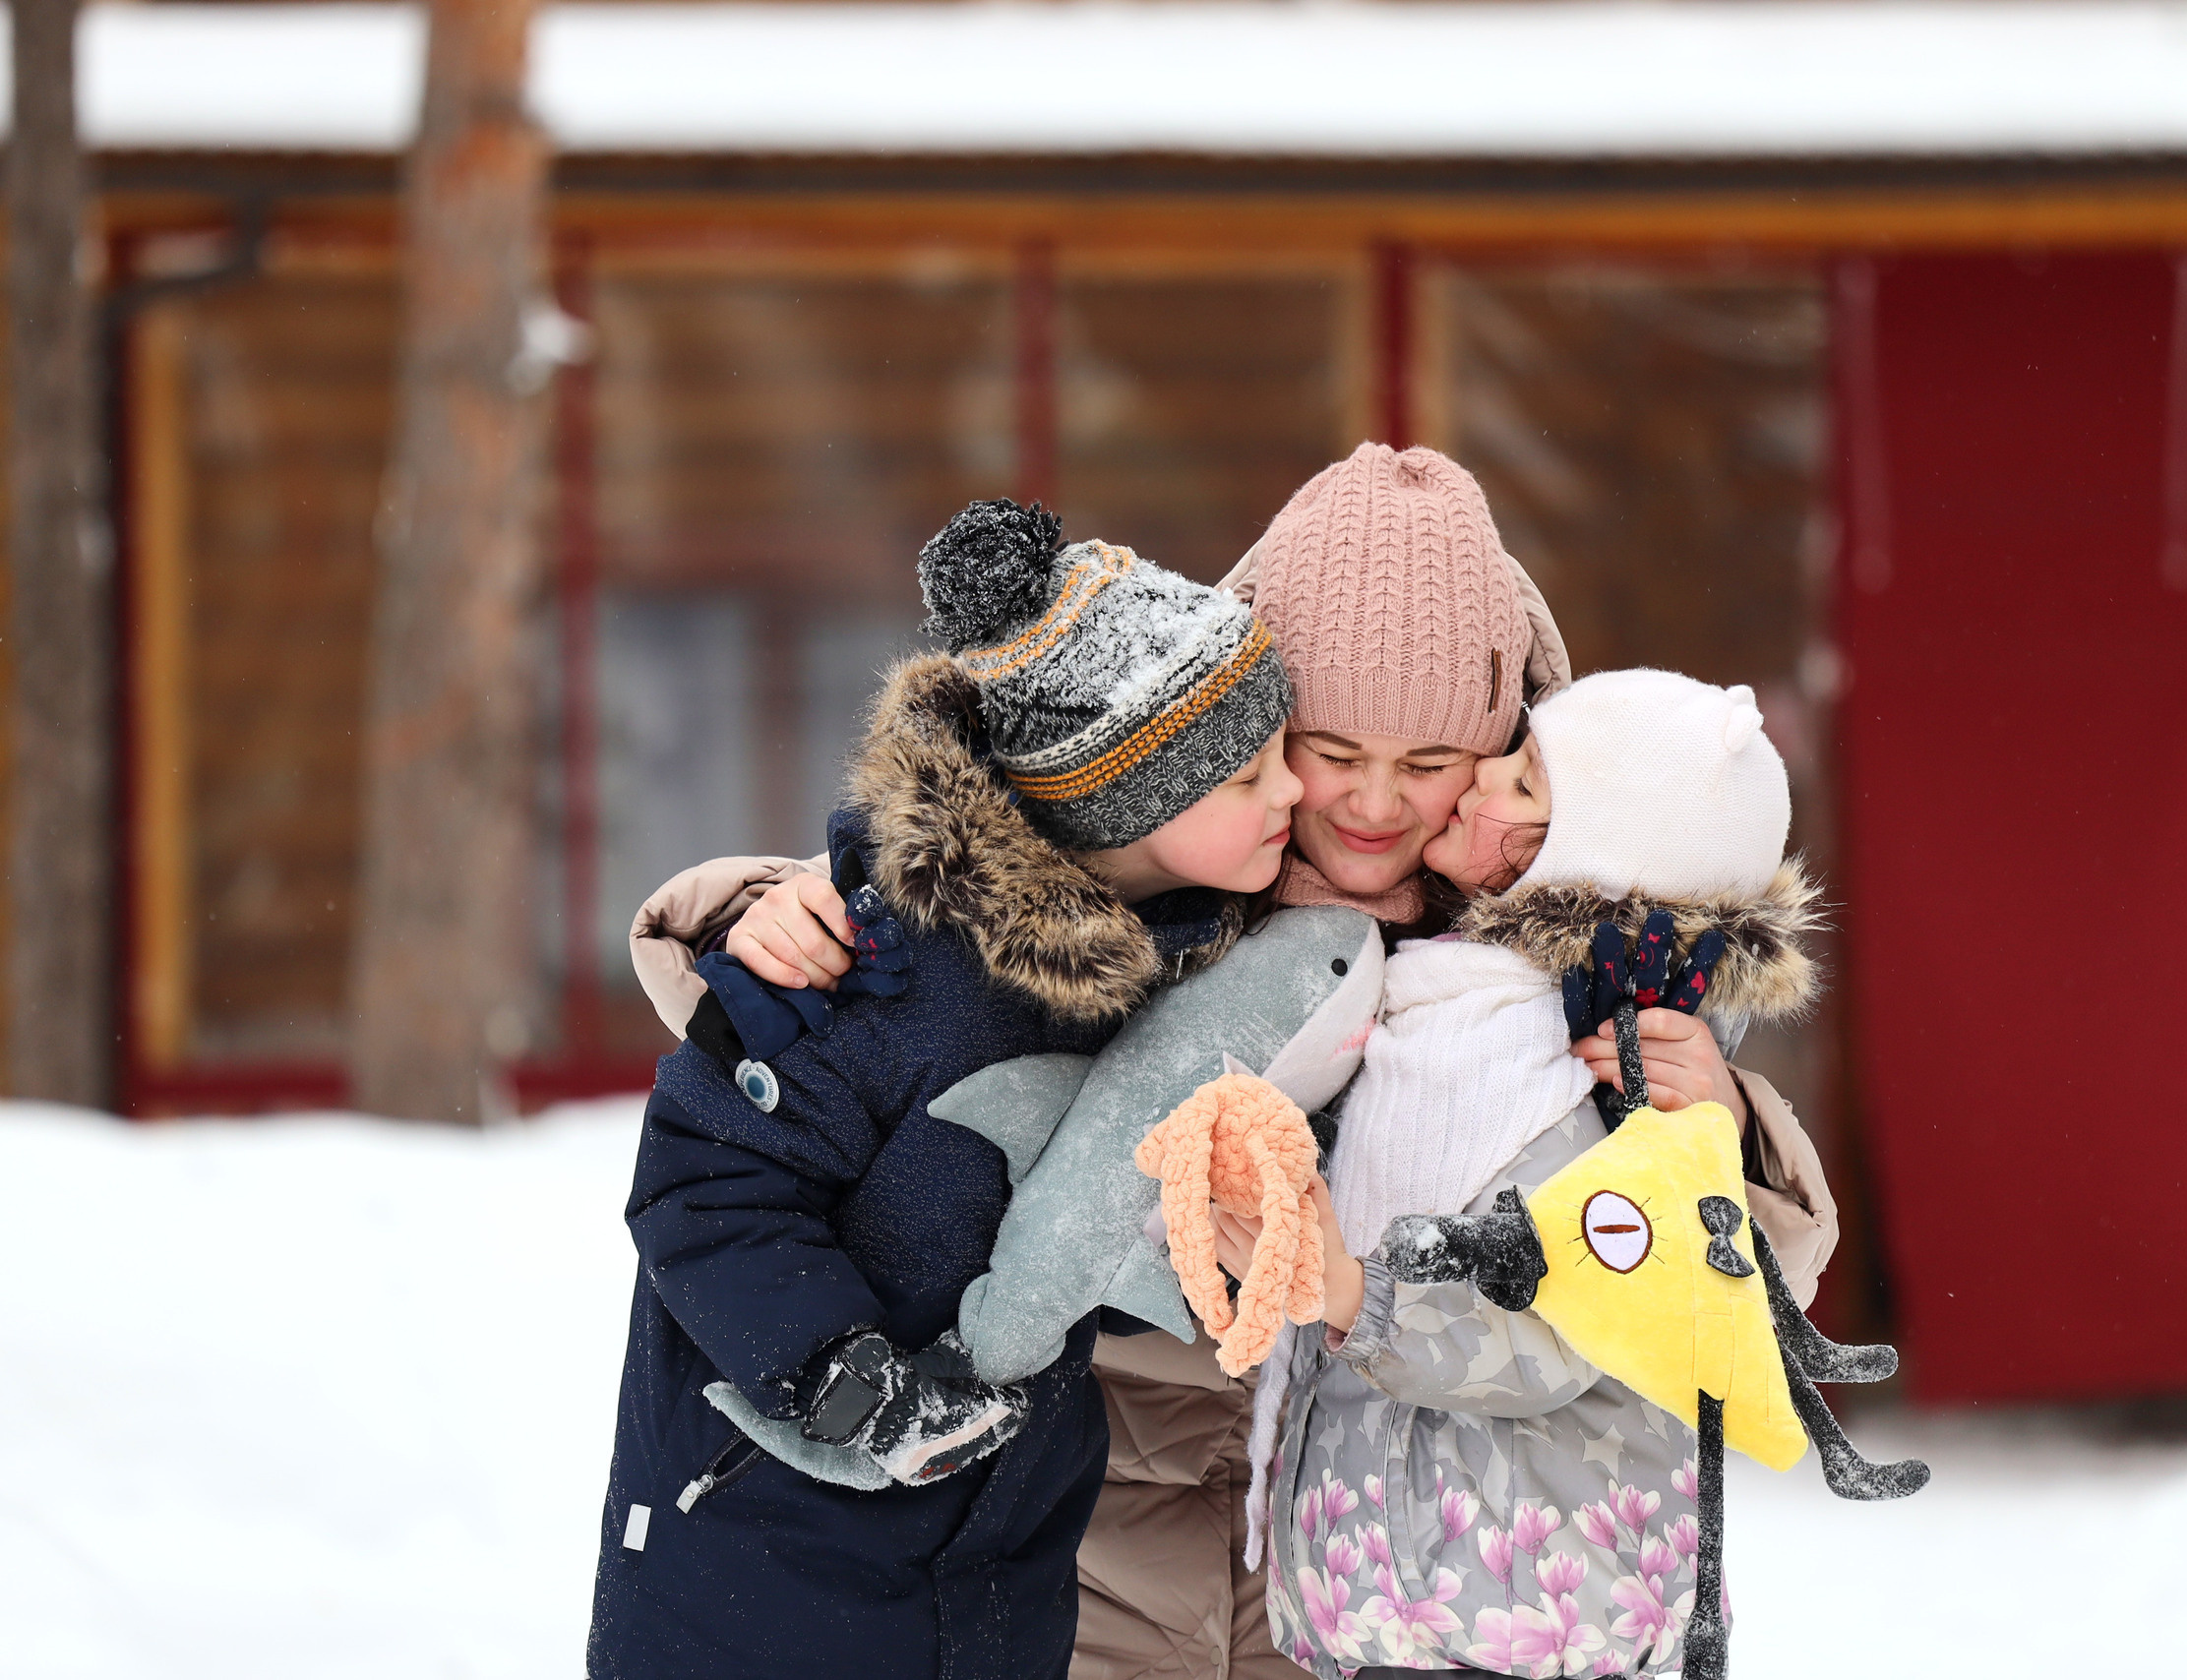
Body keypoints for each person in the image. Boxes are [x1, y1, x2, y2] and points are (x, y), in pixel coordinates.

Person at [628, 446, 1803, 1680]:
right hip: (1095, 1529)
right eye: (1332, 749)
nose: (1372, 804)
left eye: (1431, 763)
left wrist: (1728, 1125)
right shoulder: (1164, 840)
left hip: (1378, 1559)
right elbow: (908, 964)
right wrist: (758, 911)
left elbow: (1694, 1282)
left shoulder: (1577, 939)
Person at [586, 498, 1302, 1680]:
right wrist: (835, 1377)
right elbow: (702, 1184)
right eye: (1248, 775)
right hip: (766, 1551)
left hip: (996, 1559)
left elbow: (1064, 1254)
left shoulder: (1166, 984)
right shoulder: (870, 967)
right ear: (1133, 798)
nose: (1291, 795)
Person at [1231, 669, 1837, 1680]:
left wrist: (1347, 1295)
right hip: (1420, 1594)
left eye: (1523, 786)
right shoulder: (1443, 1000)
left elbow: (1567, 1331)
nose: (1474, 787)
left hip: (1537, 1607)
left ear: (1593, 856)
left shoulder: (1587, 1058)